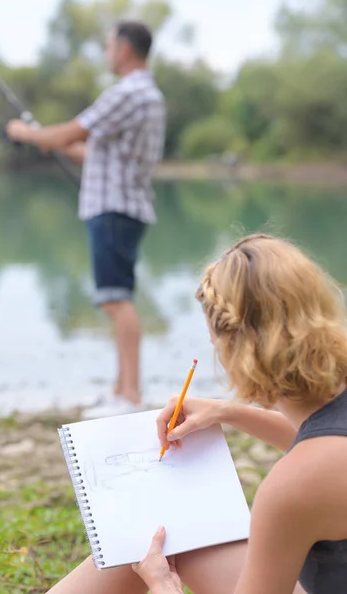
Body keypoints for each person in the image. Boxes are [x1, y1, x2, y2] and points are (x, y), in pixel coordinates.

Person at [45, 234, 347, 594]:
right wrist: (228, 412)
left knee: (155, 539)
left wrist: (163, 587)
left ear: (241, 349)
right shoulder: (319, 459)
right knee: (175, 533)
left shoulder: (291, 488)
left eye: (216, 344)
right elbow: (324, 443)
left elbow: (314, 466)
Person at [7, 21, 166, 418]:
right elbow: (93, 149)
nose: (107, 52)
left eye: (109, 45)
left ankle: (130, 396)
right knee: (117, 298)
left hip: (113, 208)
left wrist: (27, 134)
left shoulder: (126, 92)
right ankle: (121, 390)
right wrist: (50, 140)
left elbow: (71, 134)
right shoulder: (149, 95)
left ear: (125, 49)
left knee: (116, 299)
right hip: (126, 207)